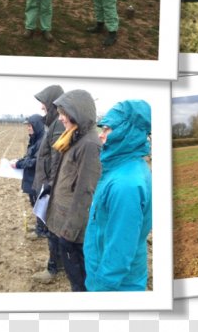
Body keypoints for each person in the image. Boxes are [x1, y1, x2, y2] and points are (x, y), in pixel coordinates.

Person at [83, 100, 152, 292]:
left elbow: (119, 253)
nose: (101, 136)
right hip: (119, 277)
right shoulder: (122, 168)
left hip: (116, 286)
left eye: (107, 129)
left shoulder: (125, 185)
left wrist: (101, 286)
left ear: (127, 132)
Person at [44, 89, 102, 292]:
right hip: (65, 224)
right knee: (73, 277)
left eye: (64, 113)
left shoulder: (89, 145)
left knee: (80, 282)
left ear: (78, 112)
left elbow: (86, 192)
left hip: (74, 232)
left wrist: (70, 231)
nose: (60, 118)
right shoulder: (75, 138)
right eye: (59, 112)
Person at [30, 84, 66, 284]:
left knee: (53, 228)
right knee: (51, 227)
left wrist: (50, 188)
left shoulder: (58, 126)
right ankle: (56, 264)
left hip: (52, 187)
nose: (41, 107)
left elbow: (56, 160)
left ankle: (54, 268)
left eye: (44, 103)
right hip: (49, 185)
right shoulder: (52, 123)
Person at [11, 114, 46, 237]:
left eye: (30, 125)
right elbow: (29, 156)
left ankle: (42, 231)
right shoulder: (35, 138)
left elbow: (35, 161)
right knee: (36, 203)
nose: (28, 128)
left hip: (39, 178)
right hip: (34, 178)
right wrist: (19, 161)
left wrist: (19, 164)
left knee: (40, 204)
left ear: (36, 125)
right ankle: (39, 226)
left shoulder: (42, 141)